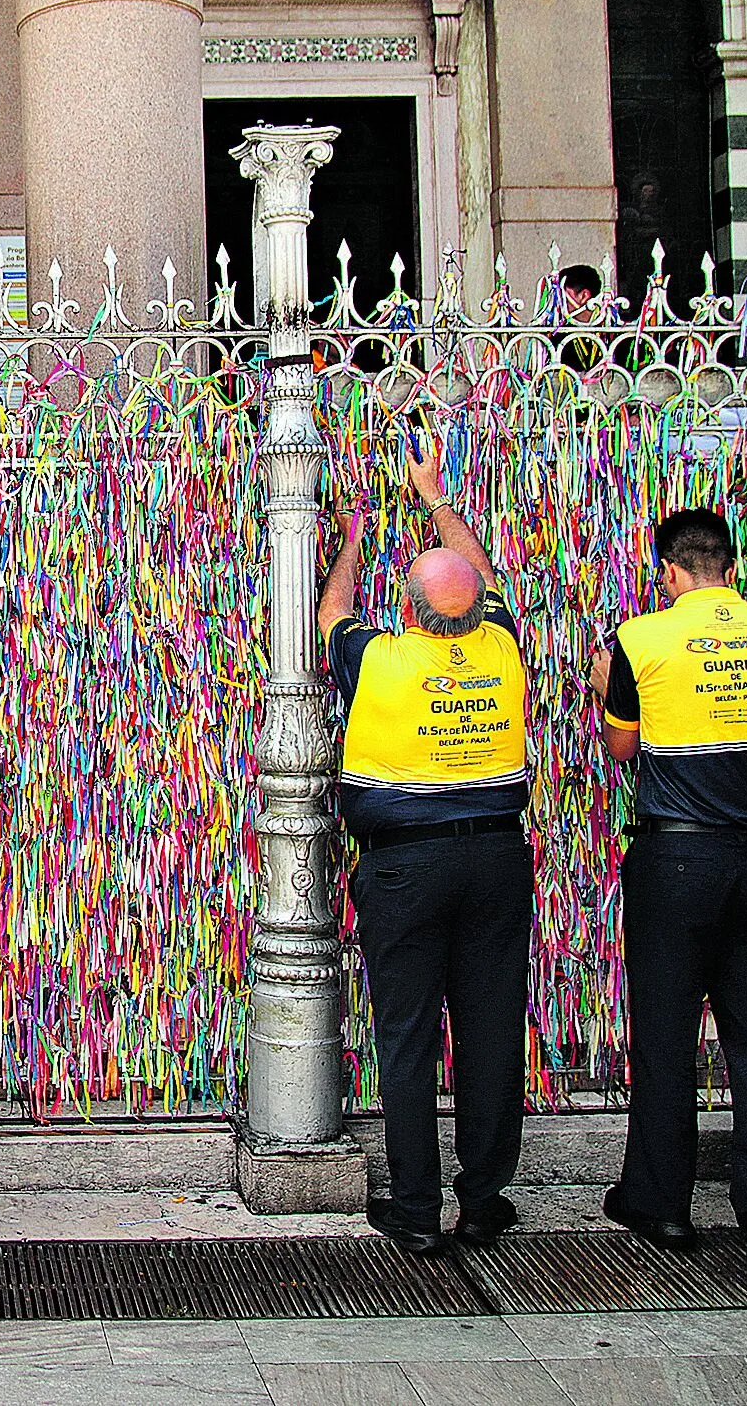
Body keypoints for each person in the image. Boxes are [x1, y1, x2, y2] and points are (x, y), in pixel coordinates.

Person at [318, 440, 532, 1256]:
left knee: (405, 1033)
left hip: (404, 866)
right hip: (494, 860)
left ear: (405, 610)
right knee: (487, 1029)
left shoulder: (377, 656)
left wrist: (351, 536)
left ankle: (414, 1206)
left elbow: (328, 612)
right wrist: (436, 498)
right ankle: (481, 1200)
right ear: (478, 611)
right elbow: (484, 576)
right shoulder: (501, 644)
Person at [590, 508, 747, 1275]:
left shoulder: (639, 637)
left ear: (668, 571)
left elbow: (623, 744)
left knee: (664, 1032)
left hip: (676, 857)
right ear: (728, 564)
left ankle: (662, 1204)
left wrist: (602, 689)